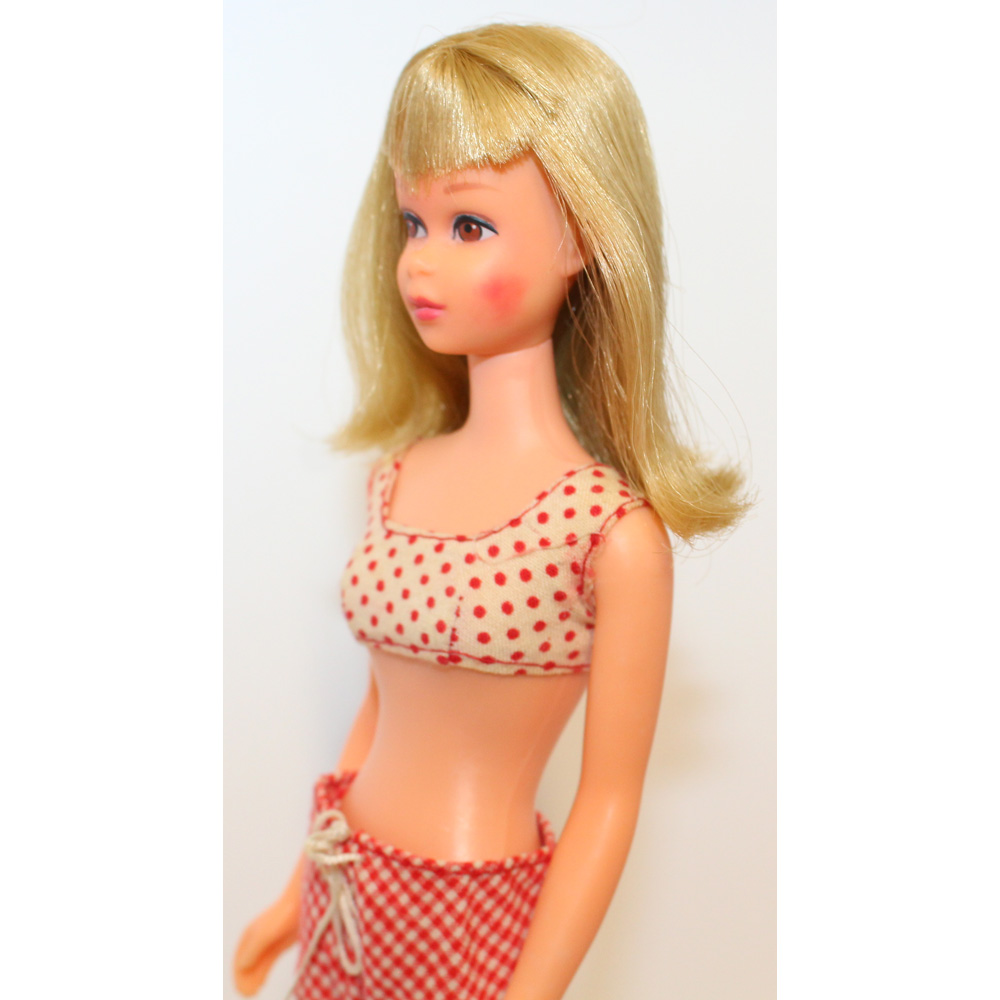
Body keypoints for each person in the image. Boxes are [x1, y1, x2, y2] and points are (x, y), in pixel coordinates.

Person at [234, 23, 747, 1000]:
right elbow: (381, 711)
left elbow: (607, 802)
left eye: (469, 226)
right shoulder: (397, 478)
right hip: (349, 889)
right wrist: (295, 892)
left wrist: (530, 993)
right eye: (411, 222)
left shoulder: (608, 535)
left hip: (473, 919)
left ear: (579, 237)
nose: (420, 264)